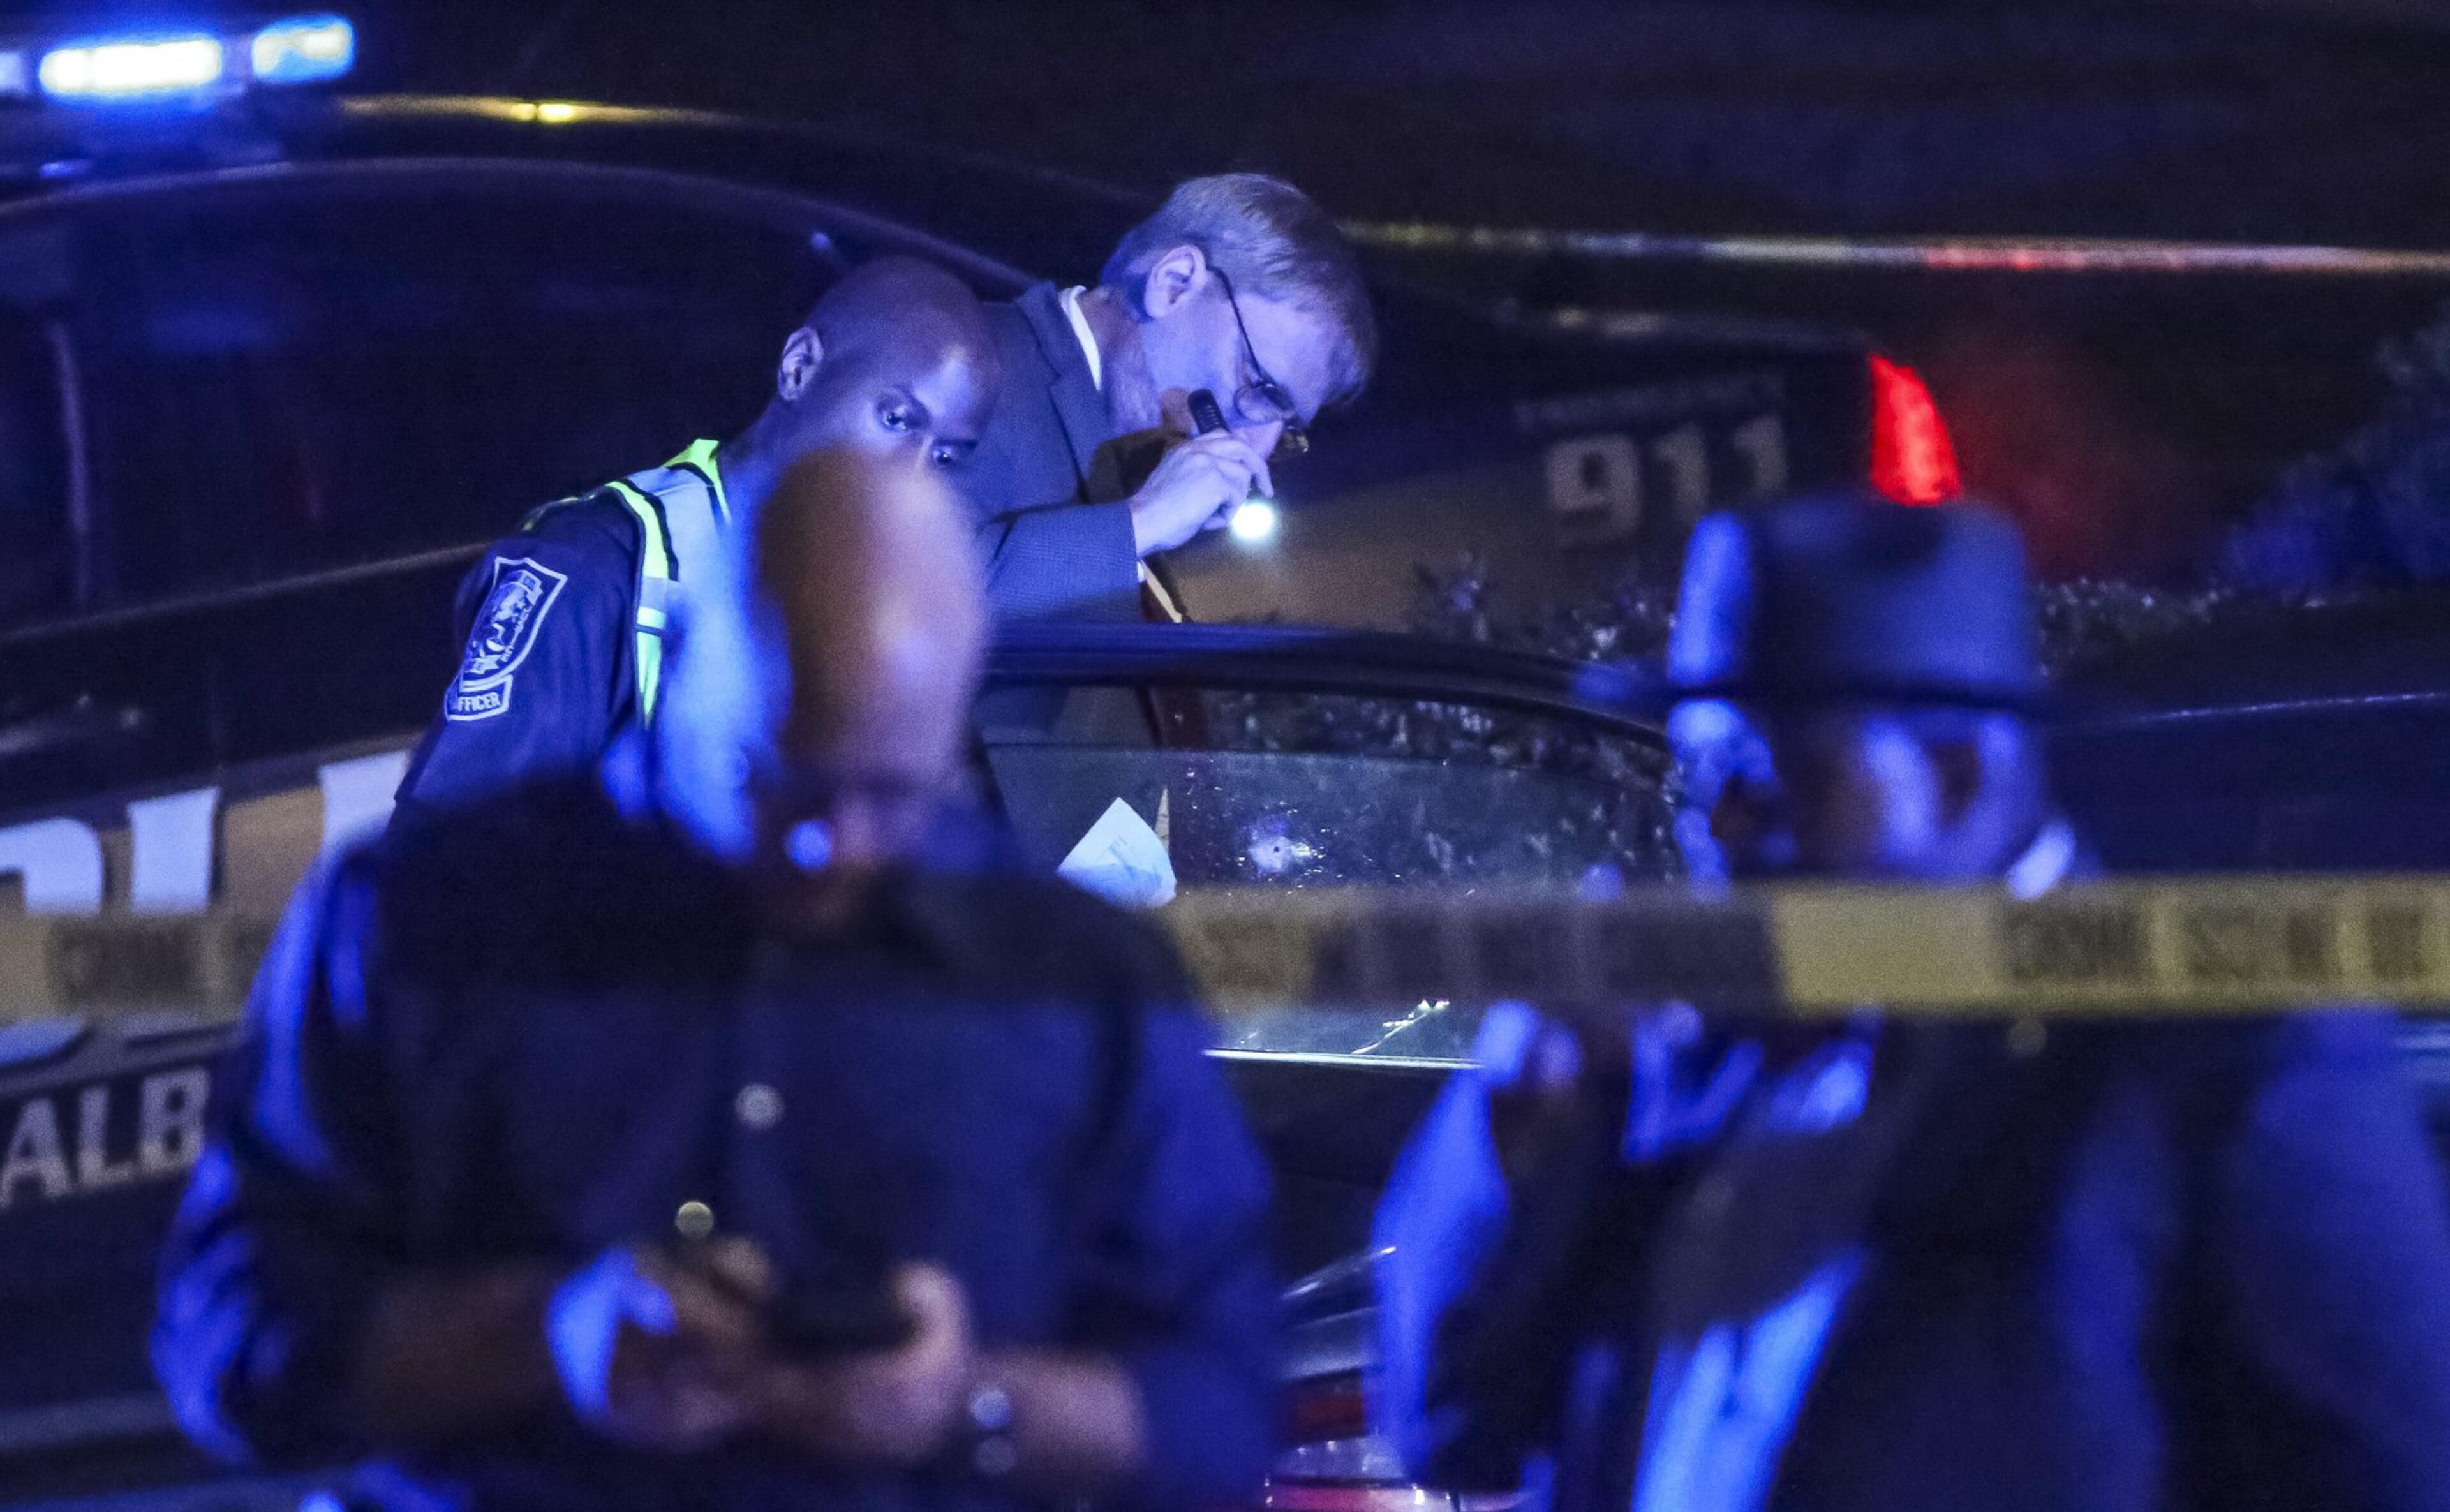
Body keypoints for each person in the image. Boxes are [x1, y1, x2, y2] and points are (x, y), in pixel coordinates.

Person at [155, 447, 1279, 1511]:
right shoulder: (419, 918)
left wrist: (968, 1402)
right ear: (680, 663)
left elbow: (1224, 1408)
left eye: (889, 796)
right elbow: (226, 1345)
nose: (827, 847)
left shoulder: (1069, 976)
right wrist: (551, 1340)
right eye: (774, 781)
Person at [1373, 492, 2450, 1512]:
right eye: (1700, 777)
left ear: (1957, 774)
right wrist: (1522, 1102)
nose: (1723, 827)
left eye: (1773, 773)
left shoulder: (2222, 1064)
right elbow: (1447, 1428)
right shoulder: (1691, 1060)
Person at [391, 256, 1002, 824]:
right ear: (799, 368)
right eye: (895, 419)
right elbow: (442, 868)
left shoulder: (875, 610)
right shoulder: (598, 567)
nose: (913, 476)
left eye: (947, 456)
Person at [963, 172, 1376, 622]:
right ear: (1175, 283)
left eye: (1285, 425)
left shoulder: (1125, 470)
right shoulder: (965, 360)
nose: (1254, 446)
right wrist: (1142, 522)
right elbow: (896, 604)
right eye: (1260, 385)